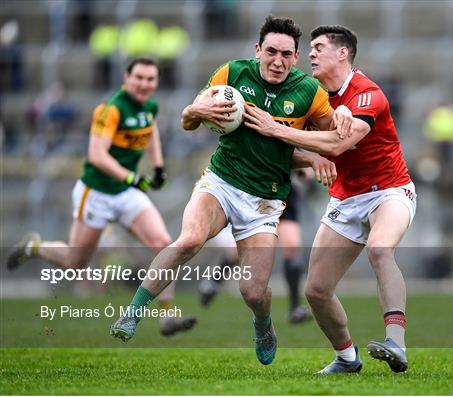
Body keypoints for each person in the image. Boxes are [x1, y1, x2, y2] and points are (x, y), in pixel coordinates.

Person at [110, 16, 349, 366]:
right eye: (271, 52)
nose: (278, 61)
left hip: (264, 201)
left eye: (286, 54)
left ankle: (263, 324)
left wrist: (317, 155)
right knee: (189, 240)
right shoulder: (231, 74)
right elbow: (188, 120)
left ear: (296, 57)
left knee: (253, 293)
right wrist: (195, 109)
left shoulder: (309, 92)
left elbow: (330, 140)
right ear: (258, 50)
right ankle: (132, 313)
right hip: (221, 182)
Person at [244, 25, 416, 374]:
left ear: (343, 53)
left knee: (381, 249)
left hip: (390, 191)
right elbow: (296, 151)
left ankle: (396, 343)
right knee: (316, 291)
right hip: (345, 199)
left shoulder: (368, 94)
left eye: (318, 47)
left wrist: (276, 129)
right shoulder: (312, 95)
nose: (310, 54)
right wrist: (309, 159)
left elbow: (338, 144)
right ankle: (347, 358)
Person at [7, 57, 196, 337]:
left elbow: (150, 130)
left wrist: (158, 167)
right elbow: (97, 155)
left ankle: (167, 316)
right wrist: (131, 177)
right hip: (96, 193)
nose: (145, 84)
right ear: (126, 78)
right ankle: (34, 246)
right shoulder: (110, 110)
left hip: (126, 193)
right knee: (76, 262)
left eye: (151, 79)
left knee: (163, 244)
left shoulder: (150, 106)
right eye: (139, 78)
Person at [198, 174, 313, 324]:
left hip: (286, 193)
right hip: (261, 192)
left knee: (292, 246)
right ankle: (214, 282)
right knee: (239, 252)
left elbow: (306, 165)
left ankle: (295, 307)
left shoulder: (300, 149)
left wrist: (308, 169)